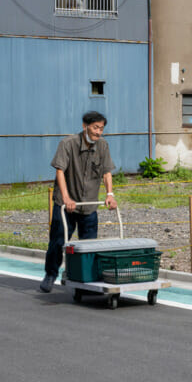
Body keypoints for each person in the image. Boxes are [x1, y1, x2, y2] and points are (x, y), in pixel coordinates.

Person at [40, 111, 118, 292]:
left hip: (88, 204)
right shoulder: (68, 144)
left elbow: (106, 172)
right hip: (66, 204)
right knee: (58, 242)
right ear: (84, 126)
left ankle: (84, 282)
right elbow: (60, 171)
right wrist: (66, 198)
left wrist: (110, 194)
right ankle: (51, 274)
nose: (98, 132)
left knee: (89, 246)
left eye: (101, 128)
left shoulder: (103, 146)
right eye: (95, 128)